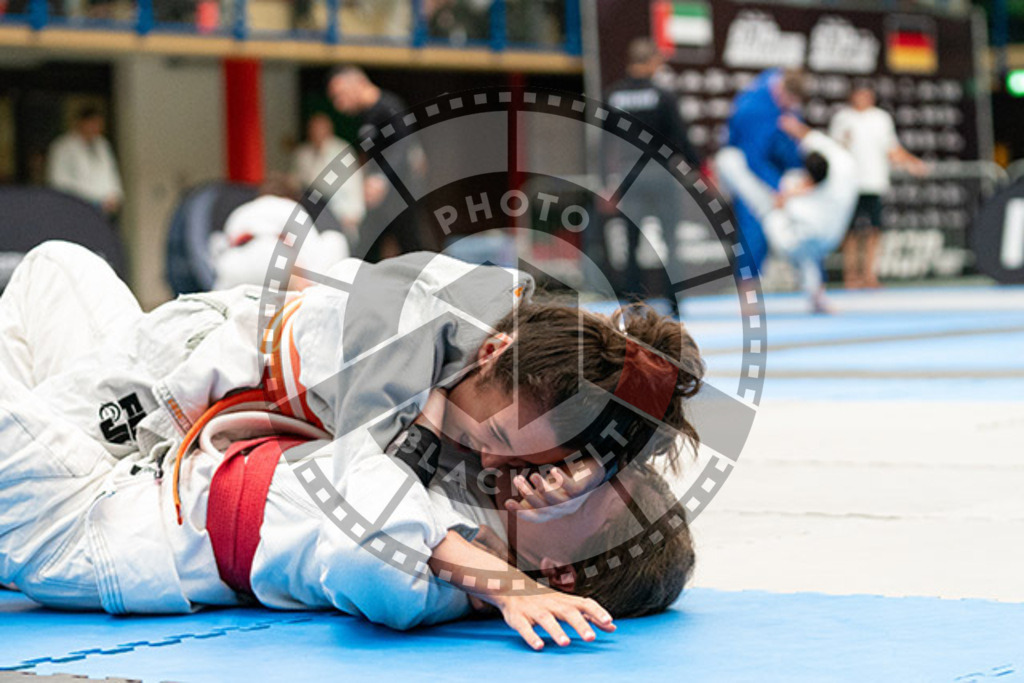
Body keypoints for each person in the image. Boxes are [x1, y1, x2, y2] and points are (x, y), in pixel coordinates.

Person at [0, 241, 703, 647]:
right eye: (576, 469)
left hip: (94, 517)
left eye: (578, 488)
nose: (543, 476)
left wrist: (507, 581)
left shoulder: (440, 579)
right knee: (58, 266)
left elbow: (369, 537)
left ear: (565, 573)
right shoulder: (454, 377)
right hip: (162, 405)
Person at [715, 115, 858, 313]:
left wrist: (787, 195)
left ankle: (727, 166)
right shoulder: (844, 164)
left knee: (762, 204)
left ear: (811, 183)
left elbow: (783, 201)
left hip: (794, 238)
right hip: (828, 239)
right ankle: (817, 296)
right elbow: (817, 143)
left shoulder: (806, 201)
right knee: (808, 256)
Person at [603, 38, 702, 318]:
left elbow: (603, 143)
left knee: (631, 244)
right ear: (651, 62)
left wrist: (606, 181)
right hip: (660, 173)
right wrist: (696, 167)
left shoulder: (613, 95)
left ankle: (633, 304)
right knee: (671, 241)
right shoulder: (663, 95)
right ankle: (674, 304)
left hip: (628, 176)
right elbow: (681, 138)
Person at [829, 86, 929, 289]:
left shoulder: (881, 119)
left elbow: (892, 149)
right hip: (850, 185)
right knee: (850, 233)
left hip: (874, 183)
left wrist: (912, 163)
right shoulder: (842, 119)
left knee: (874, 230)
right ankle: (851, 276)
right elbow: (834, 150)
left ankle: (869, 275)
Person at [327, 66, 429, 259]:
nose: (338, 103)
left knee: (412, 248)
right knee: (365, 249)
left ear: (357, 84)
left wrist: (381, 179)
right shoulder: (366, 115)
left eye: (340, 95)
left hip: (400, 194)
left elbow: (403, 145)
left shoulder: (389, 106)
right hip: (378, 199)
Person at [724, 68, 807, 274]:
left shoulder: (783, 84)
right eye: (789, 102)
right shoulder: (752, 109)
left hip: (780, 168)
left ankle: (815, 290)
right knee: (754, 226)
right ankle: (748, 289)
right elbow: (753, 159)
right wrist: (778, 188)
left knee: (804, 223)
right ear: (780, 92)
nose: (791, 108)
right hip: (749, 170)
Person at [209, 195, 350, 290]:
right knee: (333, 240)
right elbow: (310, 253)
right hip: (271, 255)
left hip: (232, 265)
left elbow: (219, 246)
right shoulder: (289, 207)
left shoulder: (240, 212)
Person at [292, 113, 366, 238]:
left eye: (320, 129)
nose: (317, 132)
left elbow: (354, 183)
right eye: (313, 129)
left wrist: (354, 212)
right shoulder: (303, 154)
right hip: (312, 211)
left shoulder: (342, 151)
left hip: (340, 210)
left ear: (329, 130)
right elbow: (297, 182)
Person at [46, 105, 124, 219]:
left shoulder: (102, 144)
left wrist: (115, 196)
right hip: (77, 208)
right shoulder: (63, 147)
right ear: (81, 123)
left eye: (99, 124)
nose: (96, 128)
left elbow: (111, 173)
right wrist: (89, 200)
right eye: (92, 123)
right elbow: (59, 181)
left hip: (106, 209)